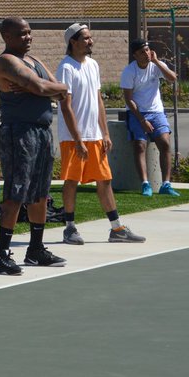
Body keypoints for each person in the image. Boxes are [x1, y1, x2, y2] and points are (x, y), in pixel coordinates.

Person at [0, 17, 69, 275]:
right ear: (7, 37)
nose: (28, 37)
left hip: (42, 132)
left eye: (29, 32)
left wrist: (51, 88)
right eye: (22, 34)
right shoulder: (5, 61)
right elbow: (40, 86)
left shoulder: (34, 62)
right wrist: (44, 88)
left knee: (39, 194)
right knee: (16, 193)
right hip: (19, 132)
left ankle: (35, 249)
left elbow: (57, 89)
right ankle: (1, 255)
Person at [56, 25, 145, 245]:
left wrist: (105, 132)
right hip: (72, 138)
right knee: (71, 181)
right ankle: (69, 228)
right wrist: (77, 140)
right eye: (85, 38)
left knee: (104, 180)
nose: (90, 41)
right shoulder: (65, 68)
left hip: (95, 137)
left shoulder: (94, 65)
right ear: (73, 42)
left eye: (90, 37)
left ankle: (117, 229)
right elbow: (66, 107)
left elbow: (98, 101)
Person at [120, 38, 180, 197]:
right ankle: (145, 184)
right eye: (142, 52)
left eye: (147, 50)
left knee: (165, 144)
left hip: (156, 112)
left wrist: (157, 61)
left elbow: (172, 78)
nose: (146, 54)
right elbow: (128, 99)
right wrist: (142, 120)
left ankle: (166, 185)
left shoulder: (155, 66)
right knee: (140, 145)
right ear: (135, 55)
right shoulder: (129, 71)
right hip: (137, 112)